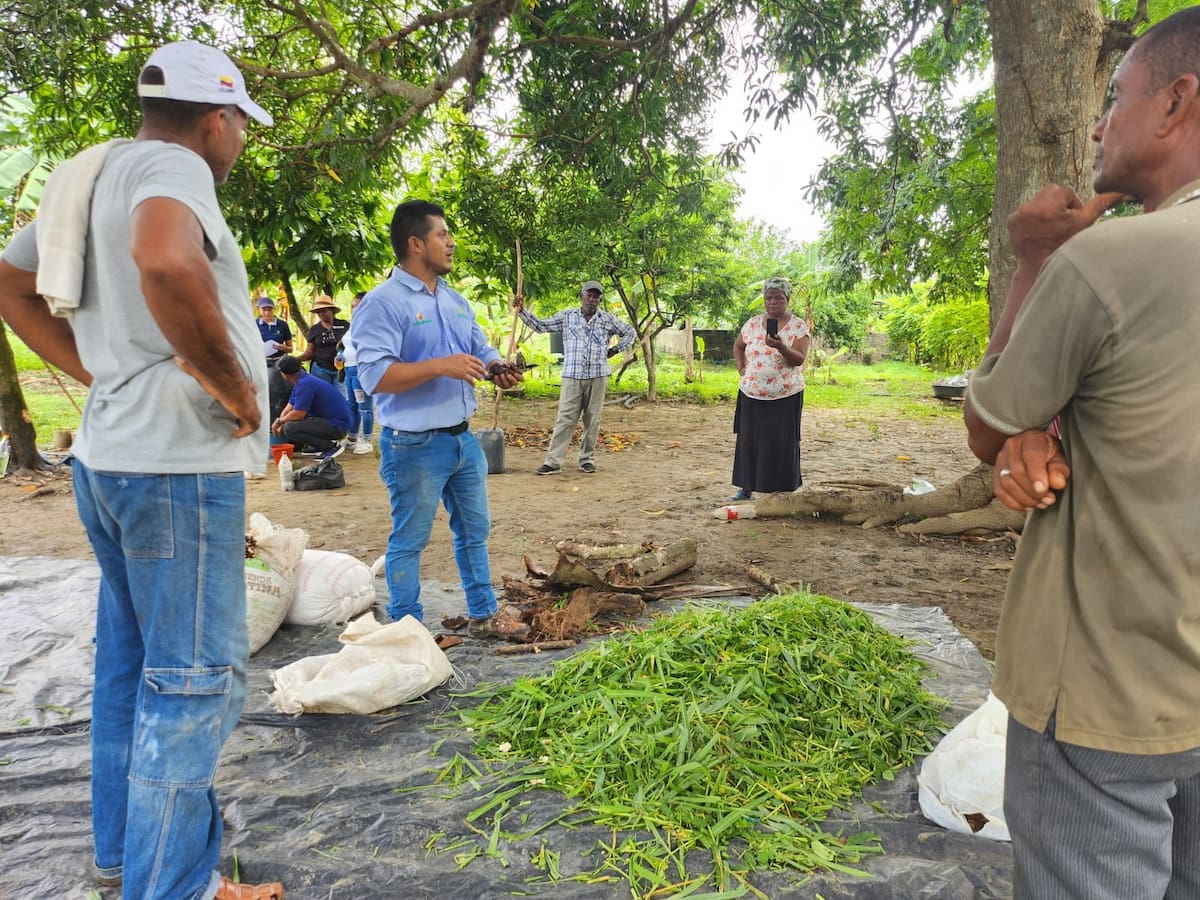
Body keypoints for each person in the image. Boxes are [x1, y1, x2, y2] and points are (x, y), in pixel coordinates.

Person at [0, 41, 284, 900]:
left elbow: (10, 286)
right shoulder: (173, 166)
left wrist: (103, 373)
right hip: (176, 468)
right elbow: (165, 258)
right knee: (194, 685)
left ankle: (125, 860)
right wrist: (233, 384)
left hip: (108, 463)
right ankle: (177, 887)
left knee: (132, 667)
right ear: (215, 118)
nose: (239, 142)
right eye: (240, 125)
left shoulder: (86, 174)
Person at [963, 10, 1200, 897]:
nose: (1099, 125)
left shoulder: (1114, 262)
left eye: (1116, 98)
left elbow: (987, 424)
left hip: (1106, 692)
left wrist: (1032, 261)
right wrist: (1051, 426)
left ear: (1178, 102)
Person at [354, 199, 529, 641]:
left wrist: (496, 368)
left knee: (474, 531)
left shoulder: (453, 299)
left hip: (462, 441)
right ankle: (408, 628)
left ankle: (484, 614)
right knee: (410, 540)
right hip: (412, 446)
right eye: (442, 235)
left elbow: (479, 348)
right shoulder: (382, 304)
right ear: (416, 243)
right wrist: (440, 366)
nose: (451, 243)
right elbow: (374, 376)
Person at [513, 280, 635, 474]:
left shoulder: (607, 319)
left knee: (592, 419)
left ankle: (586, 459)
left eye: (596, 296)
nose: (592, 299)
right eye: (589, 295)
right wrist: (521, 311)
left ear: (599, 300)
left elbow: (630, 332)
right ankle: (553, 461)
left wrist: (615, 350)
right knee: (565, 418)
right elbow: (541, 326)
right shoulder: (567, 316)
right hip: (572, 375)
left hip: (598, 375)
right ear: (582, 296)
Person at [729, 277, 810, 501]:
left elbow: (798, 360)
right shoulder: (752, 324)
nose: (773, 302)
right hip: (751, 393)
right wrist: (741, 366)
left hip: (785, 395)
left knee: (782, 441)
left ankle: (784, 490)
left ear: (787, 299)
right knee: (749, 440)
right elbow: (738, 345)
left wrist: (781, 346)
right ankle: (745, 488)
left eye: (778, 298)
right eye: (768, 298)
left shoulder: (798, 326)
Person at [272, 355, 353, 459]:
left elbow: (298, 414)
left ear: (285, 374)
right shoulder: (302, 380)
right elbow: (290, 407)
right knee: (288, 423)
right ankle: (319, 446)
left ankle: (330, 447)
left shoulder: (305, 384)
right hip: (331, 421)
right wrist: (280, 422)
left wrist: (279, 421)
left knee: (290, 428)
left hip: (338, 425)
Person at [340, 290, 375, 454]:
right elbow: (346, 346)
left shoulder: (370, 325)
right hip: (348, 368)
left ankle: (367, 440)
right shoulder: (351, 326)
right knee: (352, 405)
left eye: (358, 306)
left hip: (361, 369)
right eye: (352, 306)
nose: (354, 309)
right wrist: (340, 355)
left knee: (364, 406)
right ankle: (353, 437)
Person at [296, 295, 347, 383]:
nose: (321, 314)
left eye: (324, 311)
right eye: (318, 312)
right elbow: (309, 352)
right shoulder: (315, 329)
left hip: (341, 369)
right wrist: (295, 359)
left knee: (340, 395)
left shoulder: (344, 325)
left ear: (332, 311)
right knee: (322, 395)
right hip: (320, 370)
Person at [255, 295, 292, 361]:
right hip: (261, 361)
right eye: (264, 309)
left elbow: (290, 349)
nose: (267, 313)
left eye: (269, 310)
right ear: (259, 309)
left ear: (273, 309)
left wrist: (283, 348)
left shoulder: (283, 325)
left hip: (280, 360)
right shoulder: (254, 324)